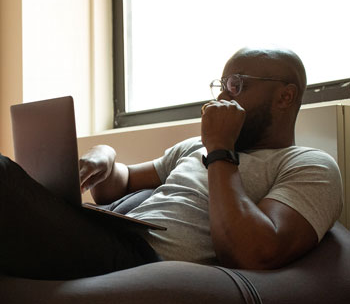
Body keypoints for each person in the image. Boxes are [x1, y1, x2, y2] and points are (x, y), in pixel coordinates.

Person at [0, 47, 343, 280]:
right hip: (106, 234)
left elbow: (255, 253)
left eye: (236, 85)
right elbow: (118, 185)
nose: (222, 97)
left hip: (142, 261)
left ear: (286, 96)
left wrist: (220, 149)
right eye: (221, 86)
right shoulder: (195, 146)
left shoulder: (309, 165)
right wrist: (105, 155)